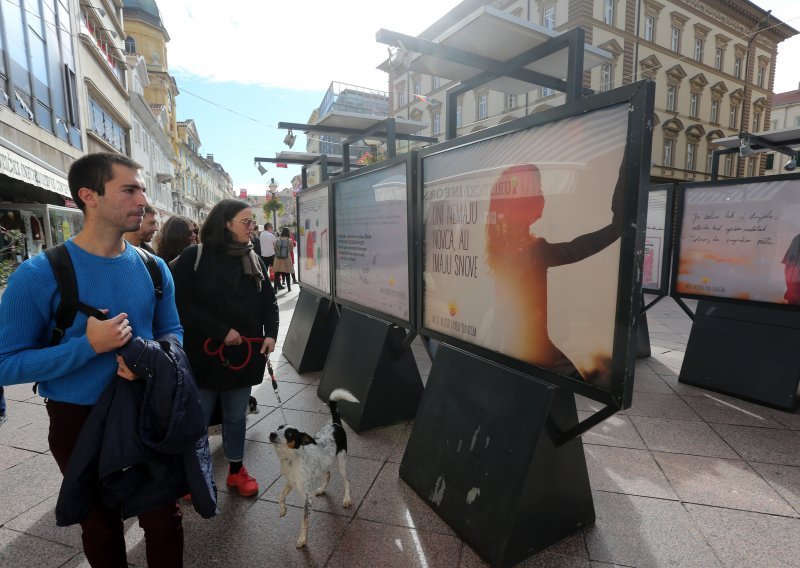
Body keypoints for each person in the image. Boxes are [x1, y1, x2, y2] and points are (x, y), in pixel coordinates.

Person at [0, 152, 186, 567]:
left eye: (141, 189)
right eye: (129, 189)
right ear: (90, 196)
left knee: (164, 519)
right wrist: (86, 347)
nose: (142, 199)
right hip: (77, 418)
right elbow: (5, 362)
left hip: (145, 409)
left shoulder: (154, 269)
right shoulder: (37, 274)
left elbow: (173, 331)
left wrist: (152, 357)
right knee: (100, 525)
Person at [171, 199, 279, 497]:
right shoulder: (195, 256)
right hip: (203, 355)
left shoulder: (253, 257)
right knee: (199, 418)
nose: (252, 227)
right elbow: (181, 304)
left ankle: (235, 470)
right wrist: (221, 331)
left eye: (252, 221)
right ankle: (194, 474)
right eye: (246, 221)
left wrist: (270, 334)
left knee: (235, 416)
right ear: (225, 223)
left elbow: (268, 302)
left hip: (243, 355)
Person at [485, 160, 624, 382]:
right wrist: (618, 227)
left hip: (515, 344)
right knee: (581, 380)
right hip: (535, 348)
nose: (541, 196)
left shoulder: (498, 246)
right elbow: (576, 249)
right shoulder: (530, 251)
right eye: (536, 191)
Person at [259, 222, 281, 289]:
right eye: (271, 227)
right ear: (268, 227)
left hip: (263, 256)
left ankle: (267, 287)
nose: (272, 228)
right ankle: (277, 286)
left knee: (265, 272)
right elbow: (277, 244)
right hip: (272, 255)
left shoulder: (261, 234)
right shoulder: (271, 235)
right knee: (277, 271)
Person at [273, 227, 295, 292]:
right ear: (288, 232)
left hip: (278, 259)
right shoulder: (289, 240)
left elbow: (274, 248)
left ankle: (275, 289)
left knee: (277, 274)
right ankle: (289, 288)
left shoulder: (277, 239)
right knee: (287, 272)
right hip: (286, 258)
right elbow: (291, 249)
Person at [782, 233, 800, 304]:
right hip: (793, 289)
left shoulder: (797, 238)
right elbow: (787, 266)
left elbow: (787, 266)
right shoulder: (797, 239)